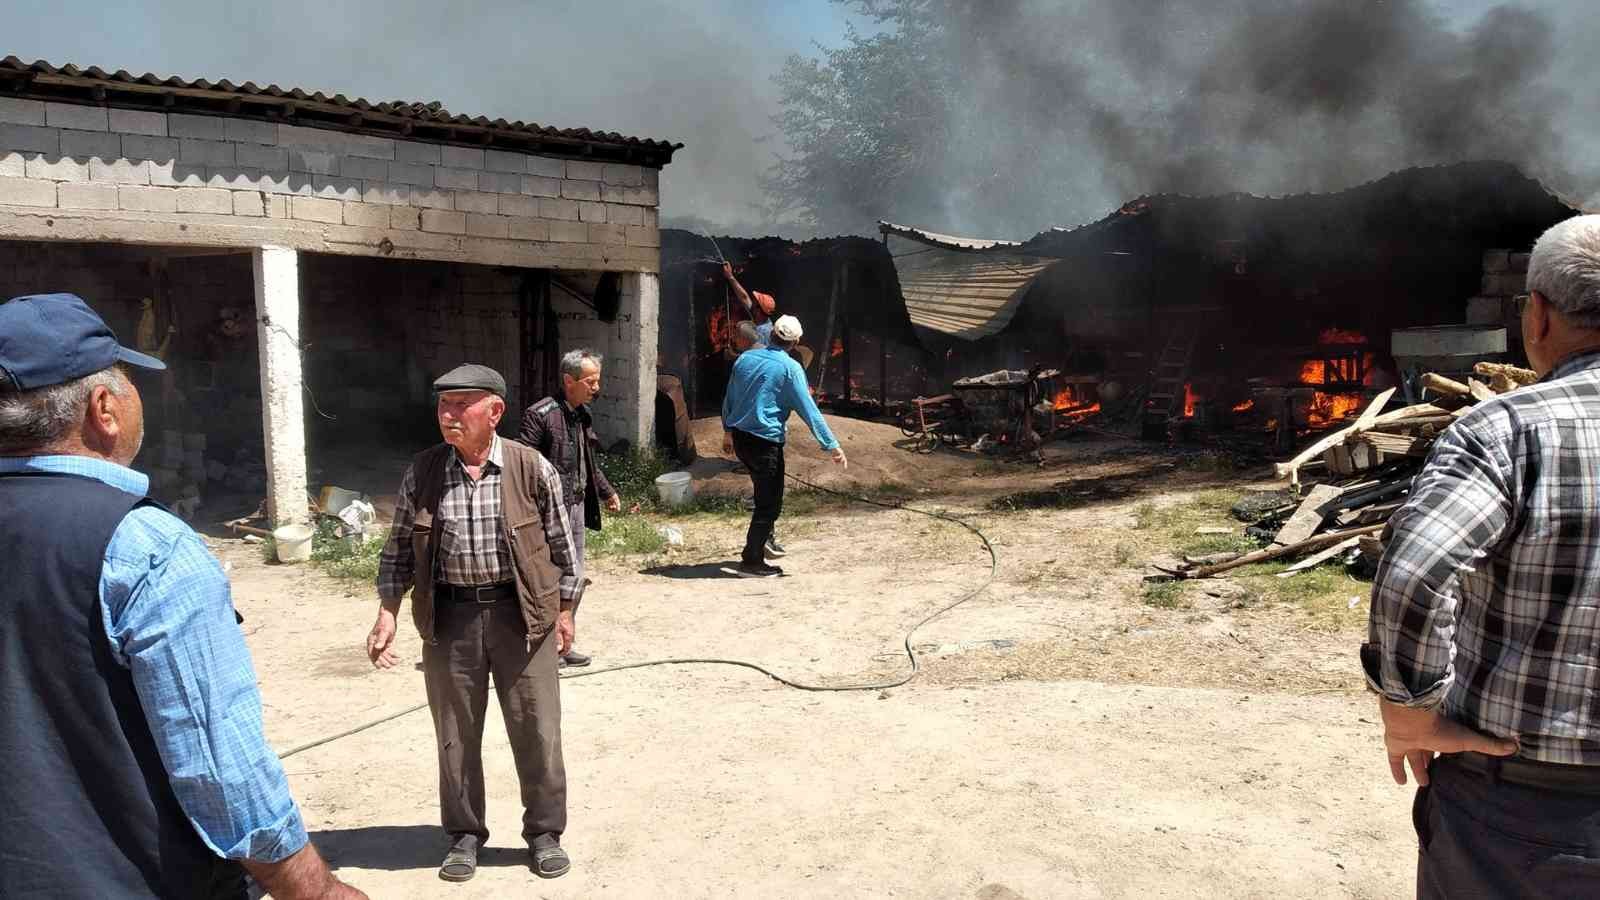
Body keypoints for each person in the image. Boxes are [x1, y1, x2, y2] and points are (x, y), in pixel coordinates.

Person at [0, 293, 364, 900]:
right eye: (128, 380)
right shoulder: (142, 545)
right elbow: (220, 769)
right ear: (104, 408)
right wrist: (316, 890)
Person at [1365, 214, 1600, 897]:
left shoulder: (1504, 431)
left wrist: (1407, 711)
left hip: (1521, 818)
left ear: (1539, 317)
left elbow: (1412, 576)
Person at [366, 363, 581, 883]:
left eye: (462, 404)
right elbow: (398, 548)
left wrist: (566, 612)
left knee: (536, 729)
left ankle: (544, 833)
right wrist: (387, 611)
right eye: (444, 405)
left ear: (495, 412)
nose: (449, 415)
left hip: (522, 618)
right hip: (451, 619)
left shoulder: (532, 469)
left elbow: (565, 551)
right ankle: (463, 835)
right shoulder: (424, 471)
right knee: (455, 734)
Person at [517, 348, 622, 668]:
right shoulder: (540, 415)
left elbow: (588, 462)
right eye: (590, 381)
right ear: (568, 381)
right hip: (549, 512)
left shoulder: (581, 415)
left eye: (597, 381)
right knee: (551, 580)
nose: (596, 388)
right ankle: (546, 647)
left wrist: (606, 492)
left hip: (576, 507)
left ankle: (564, 642)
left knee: (573, 578)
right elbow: (523, 466)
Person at [721, 314, 847, 577]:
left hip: (742, 439)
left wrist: (727, 431)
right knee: (770, 504)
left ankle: (762, 539)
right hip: (765, 443)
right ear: (796, 341)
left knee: (763, 495)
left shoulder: (745, 358)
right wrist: (832, 445)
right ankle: (752, 561)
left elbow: (729, 398)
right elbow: (808, 409)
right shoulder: (790, 369)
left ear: (772, 335)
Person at [721, 262, 776, 346]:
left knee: (743, 326)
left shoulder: (764, 334)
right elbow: (744, 297)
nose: (752, 301)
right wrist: (730, 276)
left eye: (755, 302)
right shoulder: (761, 318)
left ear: (758, 311)